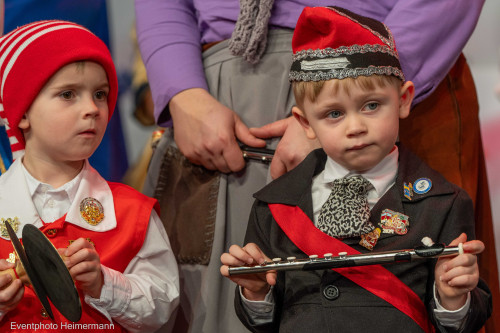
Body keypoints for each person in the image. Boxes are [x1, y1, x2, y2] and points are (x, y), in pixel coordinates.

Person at [135, 0, 499, 332]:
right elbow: (263, 312)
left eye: (370, 107)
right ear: (307, 120)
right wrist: (180, 89)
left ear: (401, 98)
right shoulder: (273, 205)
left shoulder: (441, 201)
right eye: (336, 115)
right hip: (213, 100)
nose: (355, 127)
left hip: (401, 58)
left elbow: (462, 308)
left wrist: (453, 301)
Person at [0, 20, 179, 332]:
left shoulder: (133, 213)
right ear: (23, 112)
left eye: (100, 94)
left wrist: (103, 284)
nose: (93, 108)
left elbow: (163, 308)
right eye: (68, 94)